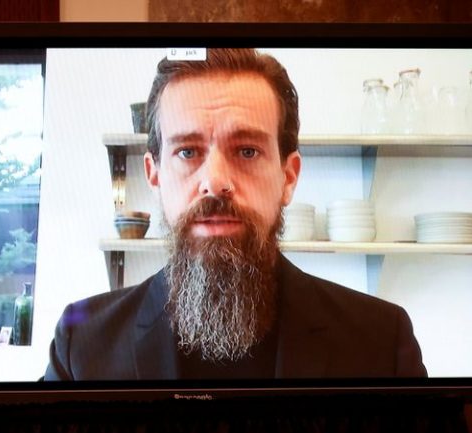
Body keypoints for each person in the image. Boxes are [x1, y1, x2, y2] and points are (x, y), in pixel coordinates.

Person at [44, 48, 427, 381]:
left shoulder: (381, 343)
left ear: (288, 177)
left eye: (247, 151)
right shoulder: (82, 347)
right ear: (154, 175)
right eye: (187, 152)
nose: (215, 182)